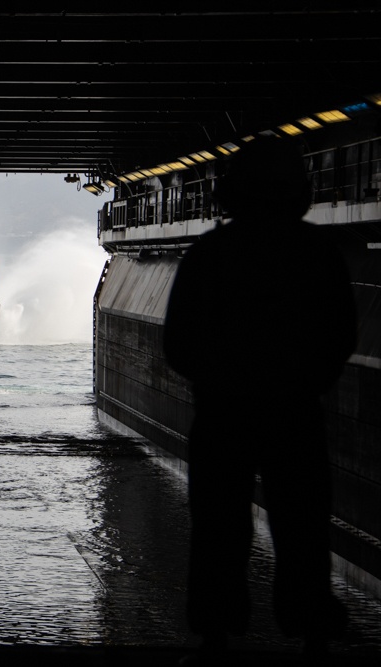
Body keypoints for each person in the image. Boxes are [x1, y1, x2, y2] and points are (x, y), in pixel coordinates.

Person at [163, 136, 357, 655]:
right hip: (295, 412)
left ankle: (217, 629)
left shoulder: (209, 255)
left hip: (223, 413)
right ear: (300, 192)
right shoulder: (319, 255)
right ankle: (312, 626)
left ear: (230, 194)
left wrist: (219, 381)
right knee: (302, 526)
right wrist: (305, 383)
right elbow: (341, 334)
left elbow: (178, 343)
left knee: (219, 527)